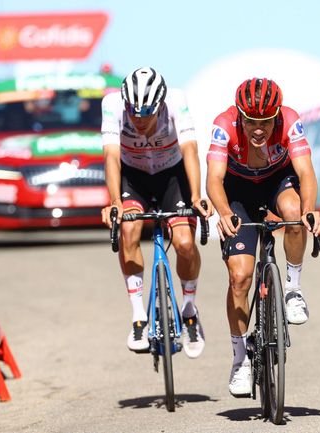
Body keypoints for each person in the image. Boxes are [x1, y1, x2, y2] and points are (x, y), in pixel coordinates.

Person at [206, 77, 320, 397]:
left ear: (276, 117)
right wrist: (223, 211)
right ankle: (240, 359)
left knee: (295, 213)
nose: (259, 130)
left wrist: (310, 209)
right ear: (240, 116)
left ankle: (292, 289)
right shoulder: (224, 125)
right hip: (237, 192)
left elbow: (306, 172)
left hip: (276, 181)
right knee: (240, 278)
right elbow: (214, 179)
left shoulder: (290, 120)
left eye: (266, 122)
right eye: (252, 122)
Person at [100, 67, 214, 358]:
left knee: (185, 243)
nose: (139, 121)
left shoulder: (176, 101)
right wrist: (114, 201)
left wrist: (197, 195)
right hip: (133, 177)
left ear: (160, 105)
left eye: (147, 114)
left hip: (171, 176)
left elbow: (190, 150)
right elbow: (112, 157)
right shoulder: (112, 105)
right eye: (134, 114)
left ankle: (189, 311)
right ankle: (139, 315)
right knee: (128, 230)